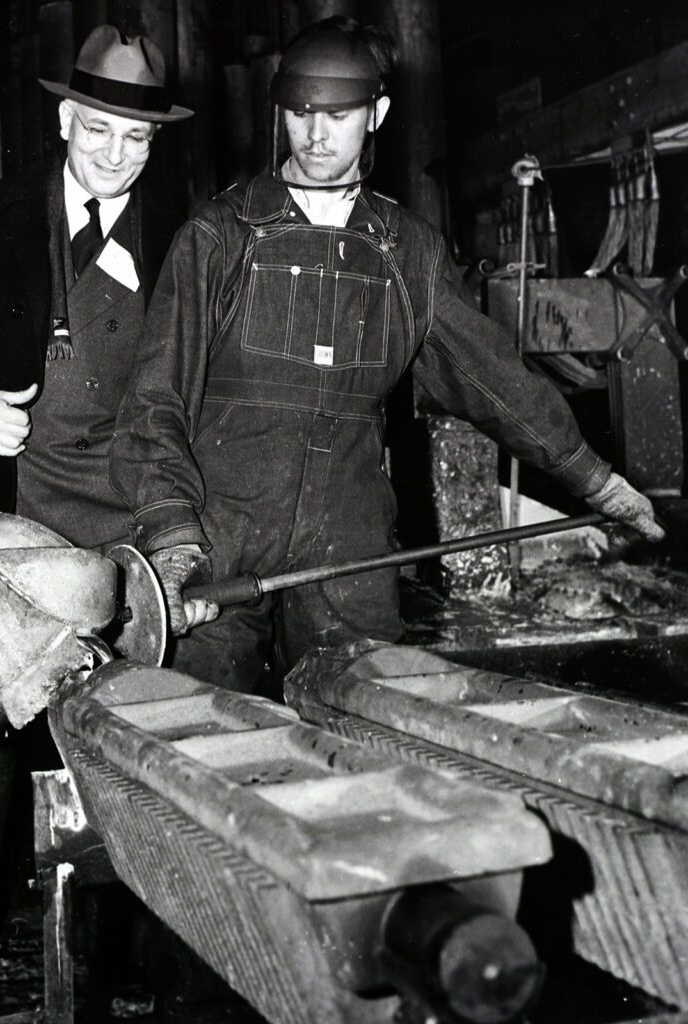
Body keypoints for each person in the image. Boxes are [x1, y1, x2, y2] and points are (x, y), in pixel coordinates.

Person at [110, 15, 664, 696]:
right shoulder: (219, 237)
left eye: (337, 116)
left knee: (370, 713)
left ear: (376, 115)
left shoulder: (407, 250)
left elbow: (494, 381)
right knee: (207, 729)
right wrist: (170, 536)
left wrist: (596, 482)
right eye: (300, 113)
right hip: (219, 533)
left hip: (349, 543)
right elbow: (152, 400)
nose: (315, 136)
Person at [0, 24, 191, 1000]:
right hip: (0, 522)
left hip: (116, 524)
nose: (113, 154)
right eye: (97, 130)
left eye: (134, 140)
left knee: (112, 739)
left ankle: (120, 961)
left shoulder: (179, 237)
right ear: (66, 119)